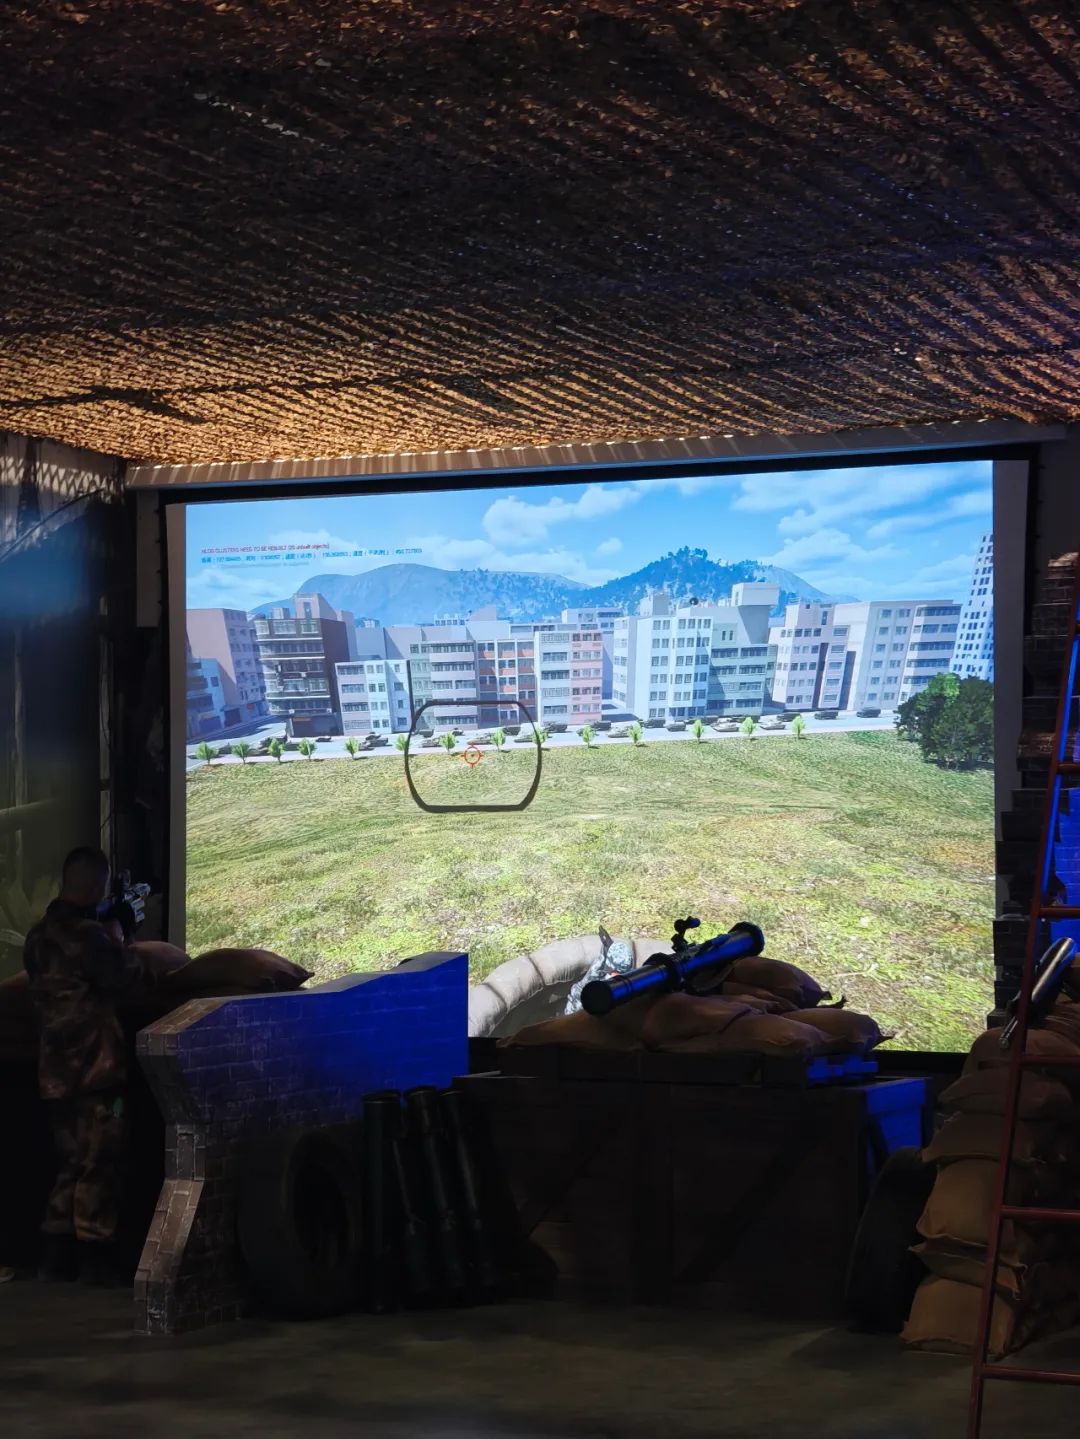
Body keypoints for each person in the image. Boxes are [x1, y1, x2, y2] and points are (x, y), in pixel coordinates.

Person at [22, 846, 141, 1285]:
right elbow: (126, 978)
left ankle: (55, 1256)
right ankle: (95, 1254)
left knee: (70, 1160)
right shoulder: (90, 938)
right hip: (96, 1067)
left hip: (55, 1070)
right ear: (94, 887)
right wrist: (124, 936)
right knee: (100, 1161)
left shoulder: (37, 938)